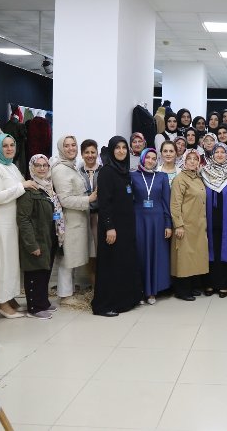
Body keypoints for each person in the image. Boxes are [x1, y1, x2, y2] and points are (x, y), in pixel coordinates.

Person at [0, 133, 36, 319]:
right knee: (3, 262)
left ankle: (9, 297)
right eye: (5, 145)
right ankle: (1, 301)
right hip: (2, 223)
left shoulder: (11, 165)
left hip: (12, 222)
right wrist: (23, 186)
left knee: (12, 262)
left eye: (12, 145)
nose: (9, 149)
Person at [91, 136, 143, 317]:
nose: (121, 151)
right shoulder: (107, 172)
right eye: (117, 148)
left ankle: (124, 300)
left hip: (126, 226)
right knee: (110, 265)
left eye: (124, 148)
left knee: (123, 263)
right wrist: (109, 227)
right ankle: (104, 305)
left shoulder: (124, 171)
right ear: (112, 151)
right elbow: (104, 203)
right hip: (112, 227)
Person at [51, 135, 97, 306]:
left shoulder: (71, 166)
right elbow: (65, 200)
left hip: (77, 219)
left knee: (73, 256)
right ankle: (64, 295)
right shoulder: (60, 170)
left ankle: (69, 290)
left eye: (73, 145)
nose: (71, 148)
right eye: (67, 145)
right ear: (61, 148)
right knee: (67, 258)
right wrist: (89, 199)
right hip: (69, 220)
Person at [17, 154, 62, 319]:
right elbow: (23, 219)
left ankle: (43, 302)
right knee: (35, 272)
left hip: (49, 236)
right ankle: (34, 308)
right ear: (32, 168)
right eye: (38, 165)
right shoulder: (29, 191)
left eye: (45, 165)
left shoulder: (48, 187)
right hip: (36, 238)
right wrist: (31, 244)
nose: (42, 168)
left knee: (44, 271)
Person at [201, 143, 227, 298]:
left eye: (222, 152)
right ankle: (210, 283)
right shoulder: (204, 172)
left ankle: (225, 284)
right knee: (209, 249)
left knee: (226, 249)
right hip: (208, 217)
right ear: (212, 155)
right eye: (216, 152)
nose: (219, 154)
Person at [132, 148, 172, 304]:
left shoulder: (162, 176)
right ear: (142, 159)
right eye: (147, 157)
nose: (150, 160)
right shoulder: (133, 176)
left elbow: (166, 202)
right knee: (140, 254)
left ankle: (152, 291)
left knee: (155, 254)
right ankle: (140, 290)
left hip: (158, 221)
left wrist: (168, 224)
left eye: (154, 158)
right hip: (139, 220)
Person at [170, 150, 209, 301]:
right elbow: (175, 204)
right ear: (184, 162)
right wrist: (178, 225)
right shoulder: (180, 179)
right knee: (184, 258)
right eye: (189, 159)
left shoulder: (198, 178)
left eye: (195, 159)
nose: (192, 161)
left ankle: (192, 287)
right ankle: (182, 291)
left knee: (194, 257)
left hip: (198, 225)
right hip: (185, 225)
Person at [78, 139, 101, 285]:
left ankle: (101, 285)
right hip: (84, 215)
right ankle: (93, 285)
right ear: (82, 154)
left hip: (99, 216)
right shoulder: (77, 172)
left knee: (99, 250)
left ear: (97, 153)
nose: (90, 155)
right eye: (87, 152)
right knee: (89, 252)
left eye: (93, 152)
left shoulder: (103, 170)